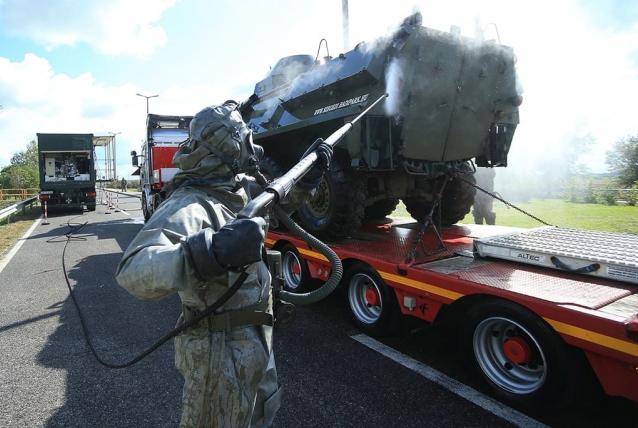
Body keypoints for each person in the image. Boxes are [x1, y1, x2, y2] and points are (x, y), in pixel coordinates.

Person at [115, 101, 332, 427]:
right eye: (245, 138)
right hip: (219, 357)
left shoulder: (235, 192)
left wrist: (306, 178)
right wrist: (211, 252)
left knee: (259, 416)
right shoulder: (191, 205)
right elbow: (134, 271)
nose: (253, 146)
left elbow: (280, 201)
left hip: (255, 343)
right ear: (229, 146)